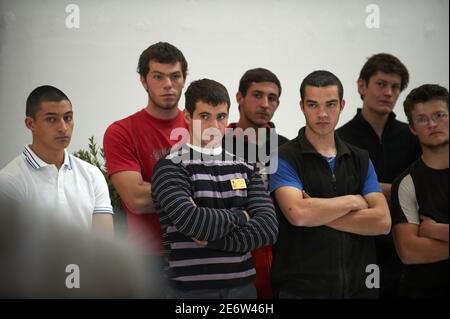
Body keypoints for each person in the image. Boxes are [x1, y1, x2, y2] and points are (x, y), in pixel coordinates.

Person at [152, 79, 278, 299]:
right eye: (204, 116)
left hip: (243, 290)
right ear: (187, 116)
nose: (214, 125)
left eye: (221, 117)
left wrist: (213, 240)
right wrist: (242, 215)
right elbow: (194, 223)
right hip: (188, 292)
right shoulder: (170, 166)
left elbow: (268, 228)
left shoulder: (246, 166)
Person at [270, 70, 391, 298]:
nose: (322, 114)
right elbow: (298, 214)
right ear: (302, 106)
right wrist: (353, 200)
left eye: (331, 104)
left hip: (360, 289)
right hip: (301, 289)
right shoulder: (282, 158)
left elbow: (382, 222)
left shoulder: (360, 158)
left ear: (343, 105)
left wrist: (318, 212)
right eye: (313, 105)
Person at [337, 53, 421, 298]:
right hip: (358, 246)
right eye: (381, 84)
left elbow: (426, 189)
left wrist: (371, 191)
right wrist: (400, 191)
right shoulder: (340, 138)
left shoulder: (412, 137)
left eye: (395, 87)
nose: (388, 93)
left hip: (407, 246)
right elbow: (342, 193)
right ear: (362, 86)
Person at [103, 42, 188, 259]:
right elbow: (137, 200)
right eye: (158, 76)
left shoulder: (202, 127)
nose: (168, 84)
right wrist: (200, 190)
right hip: (150, 259)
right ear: (143, 81)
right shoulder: (121, 131)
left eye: (175, 76)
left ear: (184, 79)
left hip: (200, 253)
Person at [0, 85, 114, 237]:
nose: (63, 128)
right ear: (30, 123)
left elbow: (104, 244)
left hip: (86, 262)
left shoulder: (92, 175)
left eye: (68, 118)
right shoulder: (9, 180)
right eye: (51, 119)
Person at [224, 68, 288, 298]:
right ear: (239, 97)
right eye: (257, 95)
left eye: (272, 98)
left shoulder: (288, 149)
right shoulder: (216, 145)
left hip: (281, 255)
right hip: (231, 252)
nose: (265, 104)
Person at [391, 84, 449, 298]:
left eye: (439, 115)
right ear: (413, 128)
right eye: (423, 119)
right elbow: (409, 251)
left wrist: (437, 231)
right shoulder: (406, 182)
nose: (432, 124)